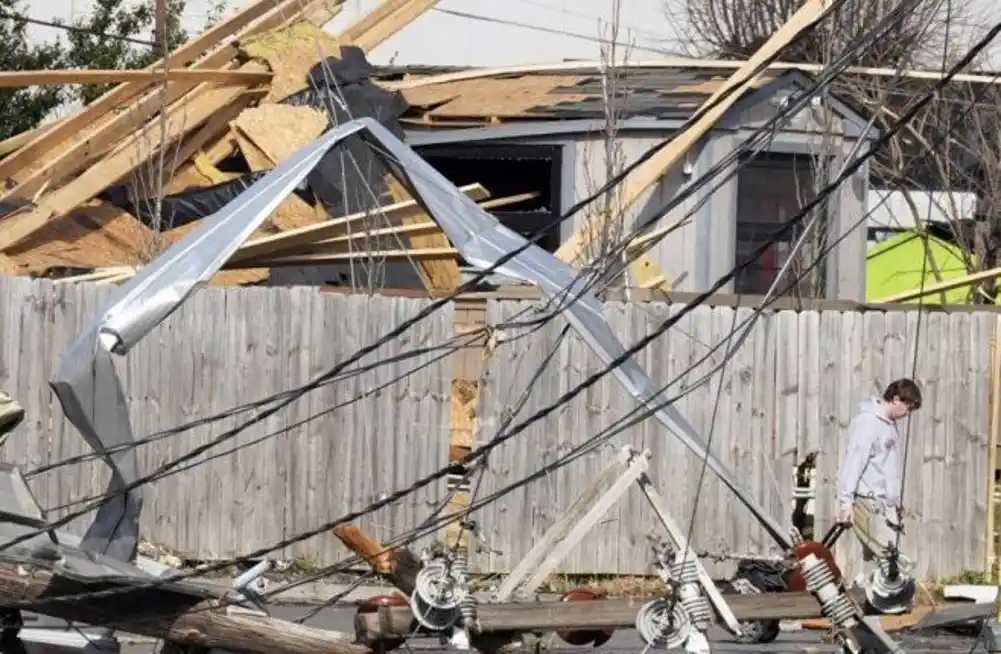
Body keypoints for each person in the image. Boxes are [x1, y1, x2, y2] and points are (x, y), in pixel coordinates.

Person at [836, 378, 922, 585]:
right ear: (895, 399)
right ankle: (893, 603)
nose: (907, 414)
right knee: (890, 558)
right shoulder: (867, 423)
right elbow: (853, 464)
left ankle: (868, 603)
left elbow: (886, 468)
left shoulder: (890, 426)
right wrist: (845, 502)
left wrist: (895, 500)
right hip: (868, 502)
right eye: (907, 408)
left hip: (885, 505)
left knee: (874, 561)